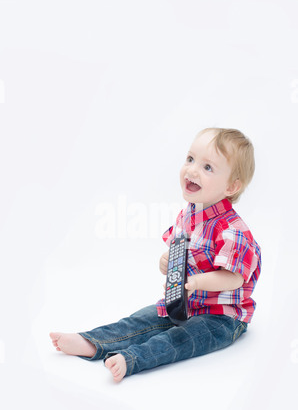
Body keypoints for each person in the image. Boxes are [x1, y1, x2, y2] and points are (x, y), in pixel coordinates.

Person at [50, 128, 261, 383]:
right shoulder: (188, 216)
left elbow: (233, 279)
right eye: (190, 159)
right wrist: (168, 261)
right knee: (143, 319)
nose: (192, 170)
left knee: (181, 339)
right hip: (186, 303)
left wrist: (196, 283)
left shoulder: (232, 231)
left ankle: (132, 359)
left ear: (231, 186)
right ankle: (92, 341)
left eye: (207, 167)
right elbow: (181, 256)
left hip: (223, 316)